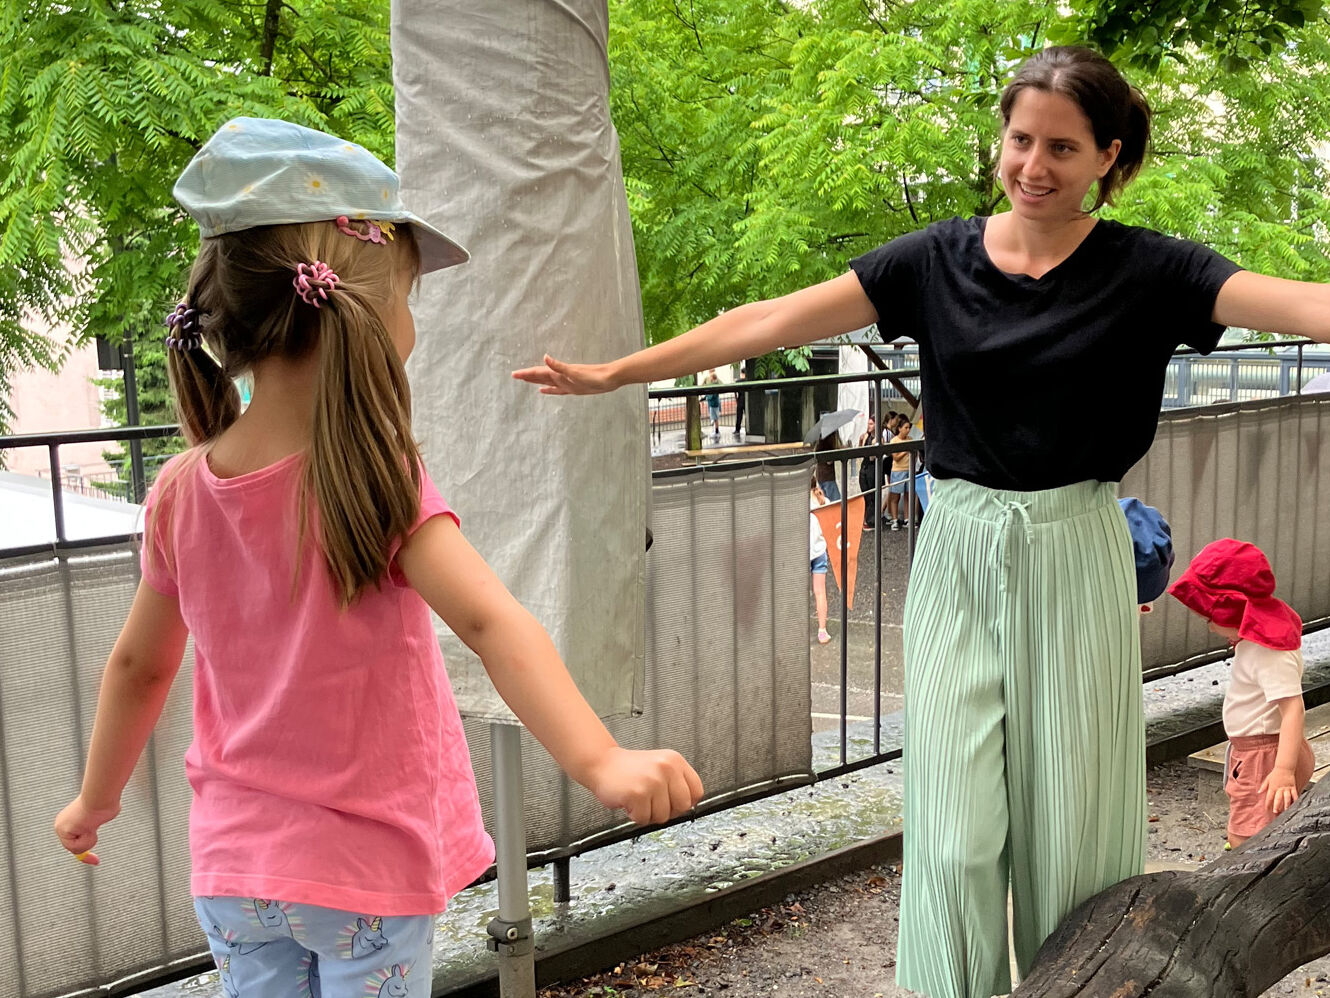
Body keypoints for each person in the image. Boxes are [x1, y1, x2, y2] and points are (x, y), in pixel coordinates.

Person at [513, 44, 1330, 998]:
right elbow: (770, 319)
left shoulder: (1151, 269)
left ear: (1109, 156)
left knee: (1074, 828)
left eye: (1062, 148)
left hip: (1076, 547)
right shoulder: (935, 258)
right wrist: (621, 373)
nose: (1033, 165)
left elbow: (1299, 303)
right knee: (952, 829)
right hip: (959, 547)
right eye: (1020, 140)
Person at [52, 118, 704, 998]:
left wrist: (96, 799)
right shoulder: (373, 475)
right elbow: (490, 622)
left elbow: (139, 665)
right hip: (364, 868)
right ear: (354, 313)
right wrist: (601, 760)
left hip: (235, 871)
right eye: (406, 297)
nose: (411, 323)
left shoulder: (177, 491)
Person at [1168, 539, 1315, 849]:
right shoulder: (1261, 639)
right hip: (1264, 750)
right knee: (1265, 826)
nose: (1209, 626)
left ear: (1233, 610)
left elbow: (1293, 709)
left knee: (1246, 835)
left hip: (1265, 755)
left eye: (1210, 618)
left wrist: (1283, 770)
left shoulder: (1267, 651)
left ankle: (1242, 867)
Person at [810, 479, 832, 644]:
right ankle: (822, 631)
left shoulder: (794, 503)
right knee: (820, 592)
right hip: (819, 551)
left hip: (800, 552)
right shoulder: (823, 501)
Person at [702, 368, 721, 439]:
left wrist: (706, 398)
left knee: (715, 418)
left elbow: (712, 396)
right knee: (714, 418)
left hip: (713, 404)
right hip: (713, 403)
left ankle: (716, 432)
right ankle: (716, 431)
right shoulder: (713, 383)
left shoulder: (714, 385)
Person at [733, 362, 748, 440]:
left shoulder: (738, 382)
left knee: (739, 415)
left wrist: (736, 399)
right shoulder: (748, 381)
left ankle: (737, 429)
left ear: (742, 373)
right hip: (747, 399)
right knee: (747, 415)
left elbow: (735, 392)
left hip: (740, 399)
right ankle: (748, 429)